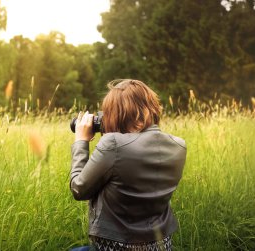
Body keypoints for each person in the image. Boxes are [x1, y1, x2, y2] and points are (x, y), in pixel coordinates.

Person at [70, 79, 187, 251]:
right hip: (161, 245)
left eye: (109, 112)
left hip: (116, 246)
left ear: (119, 114)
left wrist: (81, 141)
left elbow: (79, 189)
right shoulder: (178, 145)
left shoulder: (113, 144)